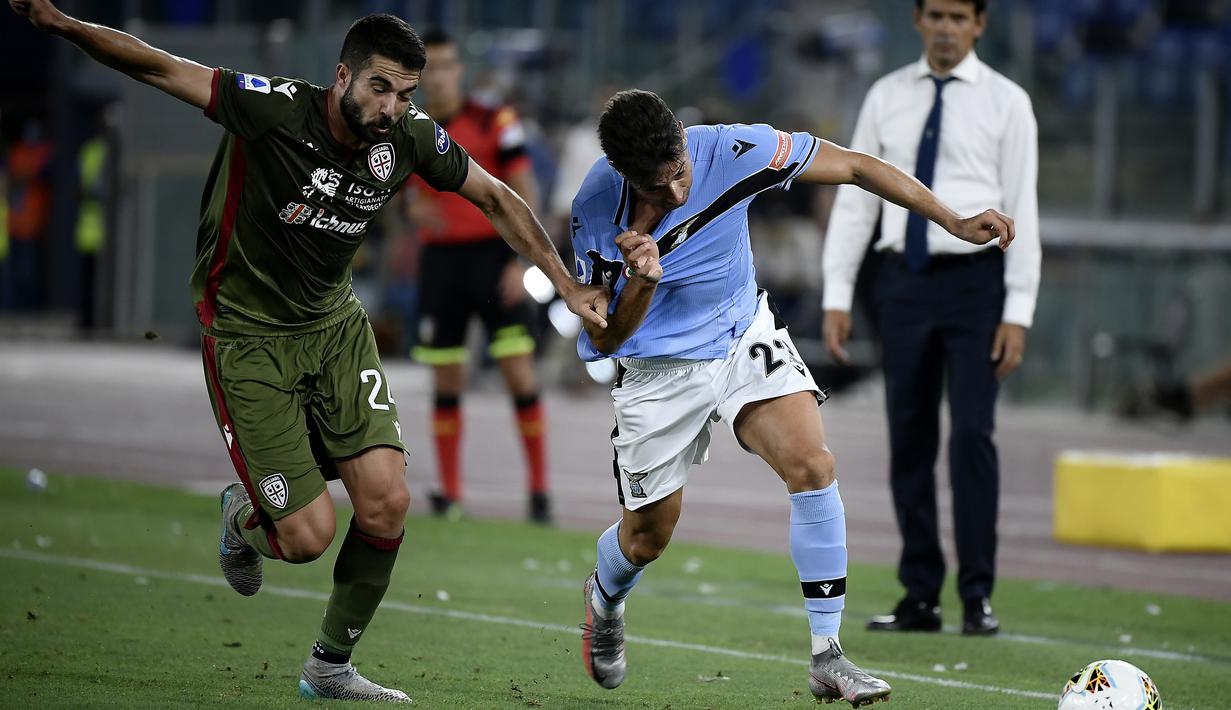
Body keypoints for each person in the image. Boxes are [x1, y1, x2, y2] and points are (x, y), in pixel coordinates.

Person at [9, 1, 608, 702]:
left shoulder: (408, 138)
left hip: (333, 327)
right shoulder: (270, 109)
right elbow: (158, 66)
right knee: (305, 537)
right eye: (379, 88)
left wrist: (564, 282)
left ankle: (329, 666)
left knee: (386, 504)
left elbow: (496, 196)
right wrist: (65, 25)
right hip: (246, 333)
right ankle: (241, 515)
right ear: (342, 76)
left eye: (405, 94)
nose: (391, 108)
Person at [571, 89, 1014, 706]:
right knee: (648, 537)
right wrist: (642, 282)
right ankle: (605, 597)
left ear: (683, 135)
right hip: (658, 368)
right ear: (623, 175)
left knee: (813, 465)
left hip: (741, 333)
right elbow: (609, 336)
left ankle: (826, 656)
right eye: (656, 186)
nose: (675, 193)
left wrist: (952, 220)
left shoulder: (731, 149)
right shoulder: (594, 209)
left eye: (679, 173)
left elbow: (857, 166)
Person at [821, 0, 1041, 637]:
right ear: (917, 20)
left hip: (978, 286)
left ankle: (977, 596)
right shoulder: (886, 96)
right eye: (935, 14)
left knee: (973, 436)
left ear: (980, 25)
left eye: (958, 16)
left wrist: (1018, 311)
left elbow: (1023, 206)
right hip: (903, 285)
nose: (946, 27)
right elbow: (856, 197)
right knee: (909, 439)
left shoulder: (1008, 102)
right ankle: (921, 593)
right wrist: (838, 290)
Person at [404, 29, 552, 524]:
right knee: (446, 381)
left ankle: (538, 492)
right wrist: (410, 207)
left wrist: (522, 261)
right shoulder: (406, 126)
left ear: (459, 69)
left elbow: (525, 189)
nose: (441, 75)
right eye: (432, 68)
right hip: (441, 264)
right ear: (422, 77)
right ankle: (449, 493)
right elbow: (397, 189)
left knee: (519, 376)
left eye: (447, 64)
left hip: (495, 258)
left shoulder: (495, 121)